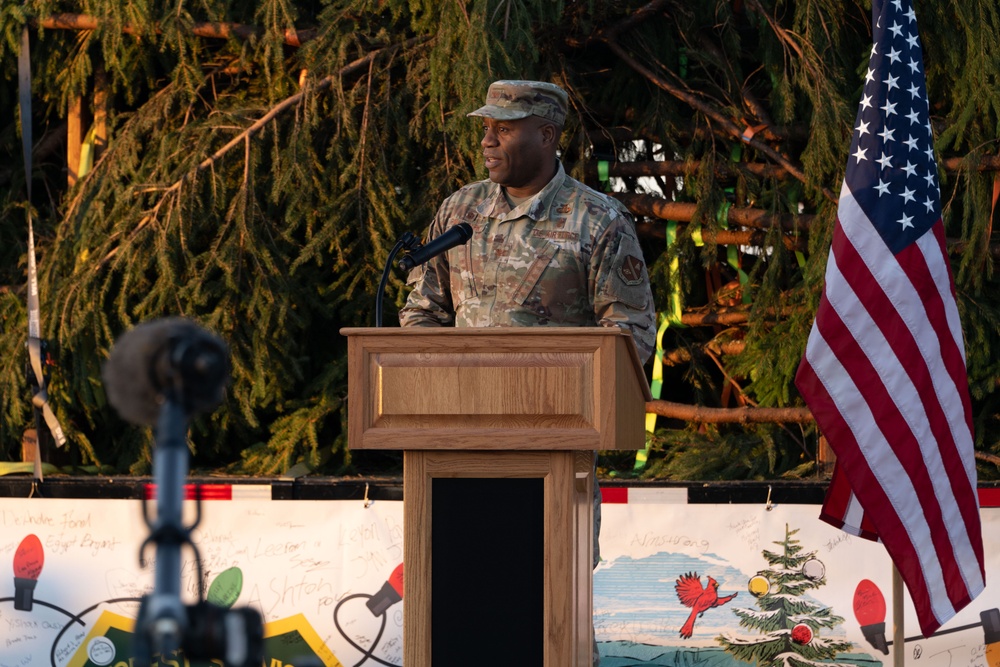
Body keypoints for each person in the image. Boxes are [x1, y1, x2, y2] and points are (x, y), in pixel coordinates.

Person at [398, 80, 656, 665]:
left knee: (549, 630)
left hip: (554, 463)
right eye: (485, 127)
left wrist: (554, 397)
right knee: (458, 625)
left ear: (547, 133)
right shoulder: (459, 212)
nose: (487, 139)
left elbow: (630, 336)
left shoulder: (598, 220)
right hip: (454, 459)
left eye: (503, 127)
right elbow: (424, 312)